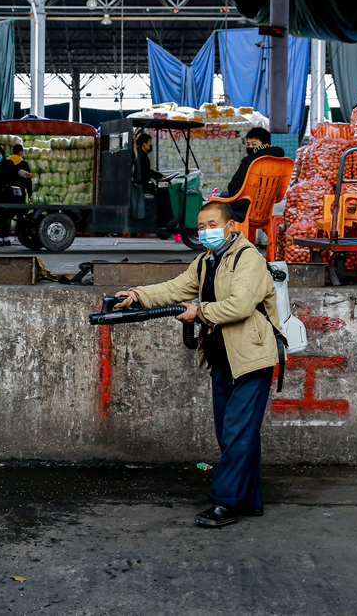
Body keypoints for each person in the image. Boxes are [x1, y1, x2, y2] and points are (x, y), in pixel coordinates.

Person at [114, 201, 282, 528]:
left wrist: (198, 313)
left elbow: (240, 305)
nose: (206, 231)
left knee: (237, 433)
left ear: (232, 226)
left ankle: (224, 503)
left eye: (212, 224)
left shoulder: (249, 259)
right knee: (232, 434)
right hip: (222, 357)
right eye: (201, 226)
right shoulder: (207, 261)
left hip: (250, 359)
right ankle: (250, 500)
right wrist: (138, 295)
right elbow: (176, 288)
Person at [218, 127, 286, 222]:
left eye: (254, 144)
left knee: (219, 200)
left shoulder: (251, 160)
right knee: (224, 194)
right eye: (248, 144)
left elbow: (232, 187)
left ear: (265, 145)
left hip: (245, 207)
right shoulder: (279, 162)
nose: (250, 147)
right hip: (266, 207)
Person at [0, 144, 35, 247]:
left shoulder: (7, 162)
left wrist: (25, 174)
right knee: (2, 216)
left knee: (4, 216)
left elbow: (16, 171)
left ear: (3, 154)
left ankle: (1, 238)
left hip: (5, 193)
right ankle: (5, 238)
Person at [135, 133, 175, 227]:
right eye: (149, 142)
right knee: (163, 193)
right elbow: (146, 173)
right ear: (144, 144)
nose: (150, 145)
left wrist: (160, 176)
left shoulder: (142, 154)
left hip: (144, 184)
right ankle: (166, 220)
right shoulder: (142, 156)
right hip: (144, 185)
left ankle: (163, 220)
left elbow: (148, 171)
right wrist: (157, 178)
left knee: (161, 192)